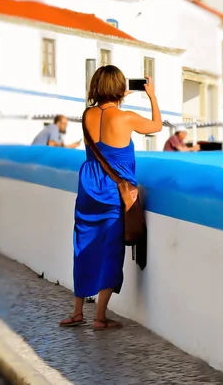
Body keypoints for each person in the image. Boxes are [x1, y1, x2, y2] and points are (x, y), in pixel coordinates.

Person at [59, 66, 162, 331]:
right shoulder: (126, 118)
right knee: (110, 251)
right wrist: (150, 95)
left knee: (83, 246)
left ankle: (78, 311)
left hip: (88, 187)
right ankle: (100, 317)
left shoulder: (87, 115)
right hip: (113, 193)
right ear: (119, 87)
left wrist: (113, 98)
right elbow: (156, 126)